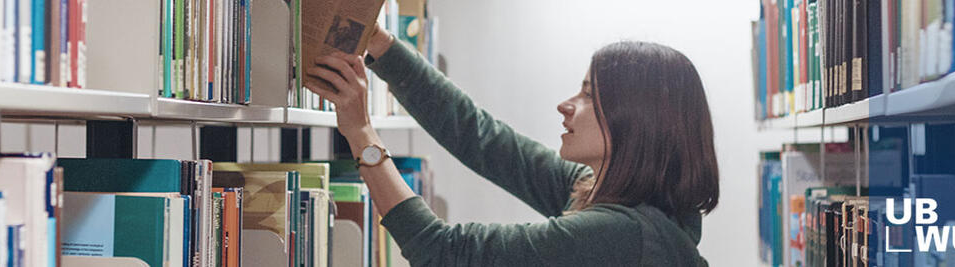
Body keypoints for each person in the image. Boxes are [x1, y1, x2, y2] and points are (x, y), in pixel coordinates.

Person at [304, 24, 720, 266]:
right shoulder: (626, 201)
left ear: (635, 123)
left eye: (589, 95)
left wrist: (361, 133)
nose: (566, 105)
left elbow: (443, 253)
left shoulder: (621, 234)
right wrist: (379, 42)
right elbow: (481, 137)